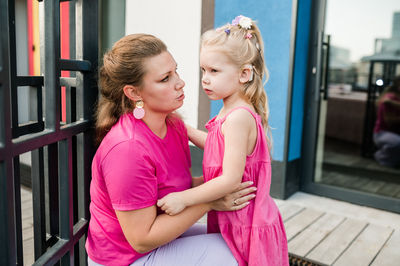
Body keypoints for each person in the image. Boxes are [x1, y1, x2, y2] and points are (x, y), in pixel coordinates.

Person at [85, 33, 257, 266]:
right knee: (235, 256)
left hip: (159, 236)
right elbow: (141, 239)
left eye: (176, 71)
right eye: (165, 78)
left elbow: (177, 186)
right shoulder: (127, 150)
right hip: (126, 258)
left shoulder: (173, 125)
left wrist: (226, 183)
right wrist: (210, 201)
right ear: (134, 93)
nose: (180, 82)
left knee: (243, 241)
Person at [157, 15, 289, 266]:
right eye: (203, 70)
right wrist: (184, 129)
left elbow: (230, 179)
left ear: (244, 74)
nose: (205, 78)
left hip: (246, 222)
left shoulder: (238, 116)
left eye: (214, 71)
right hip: (236, 217)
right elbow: (220, 147)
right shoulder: (231, 109)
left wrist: (184, 198)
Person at [373, 75, 400, 167]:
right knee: (397, 143)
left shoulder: (392, 99)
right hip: (382, 133)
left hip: (390, 133)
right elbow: (388, 120)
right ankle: (382, 157)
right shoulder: (389, 97)